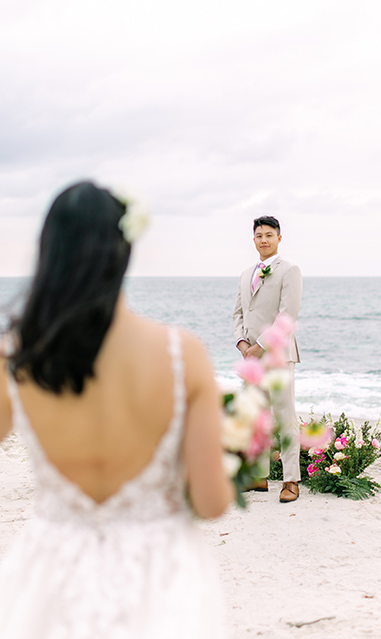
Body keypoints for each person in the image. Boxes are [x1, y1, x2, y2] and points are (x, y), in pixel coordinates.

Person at [0, 181, 233, 639]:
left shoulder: (15, 360)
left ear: (47, 251)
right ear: (122, 251)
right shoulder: (182, 355)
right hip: (159, 578)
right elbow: (211, 503)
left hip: (52, 574)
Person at [233, 216, 302, 503]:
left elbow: (288, 316)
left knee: (285, 416)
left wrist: (260, 345)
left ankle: (291, 480)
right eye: (259, 235)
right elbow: (238, 313)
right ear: (254, 240)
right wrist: (241, 342)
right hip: (250, 357)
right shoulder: (246, 273)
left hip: (276, 355)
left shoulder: (289, 270)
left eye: (269, 235)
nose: (264, 239)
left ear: (279, 238)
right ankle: (259, 477)